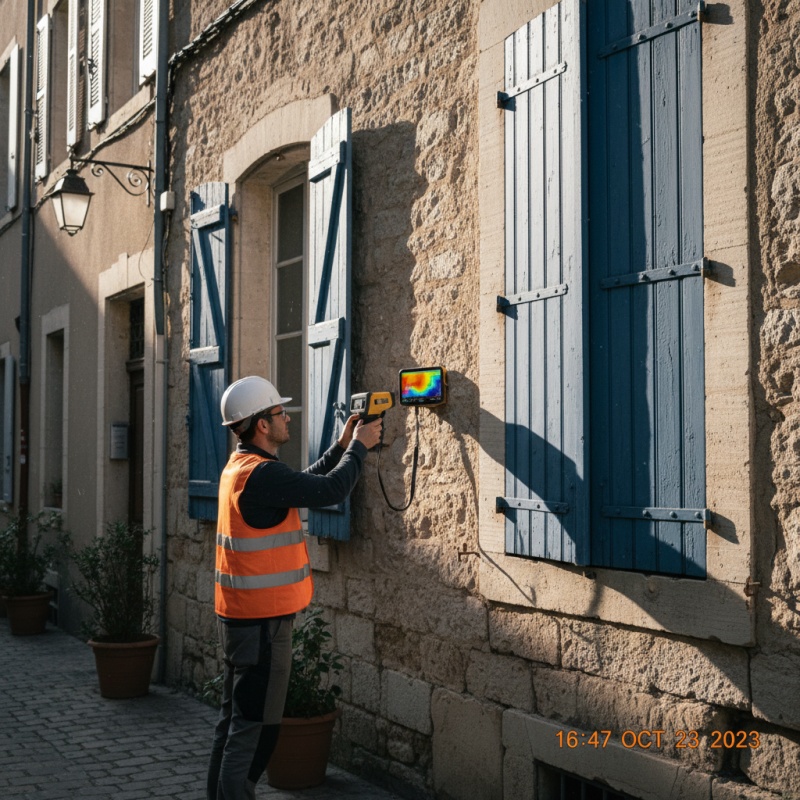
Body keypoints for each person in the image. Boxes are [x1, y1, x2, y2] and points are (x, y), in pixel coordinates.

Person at [206, 376, 382, 800]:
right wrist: (360, 448)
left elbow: (300, 484)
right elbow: (330, 489)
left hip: (241, 620)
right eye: (280, 412)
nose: (288, 417)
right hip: (262, 626)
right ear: (262, 425)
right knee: (255, 731)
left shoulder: (242, 468)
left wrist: (341, 448)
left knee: (234, 725)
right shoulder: (261, 474)